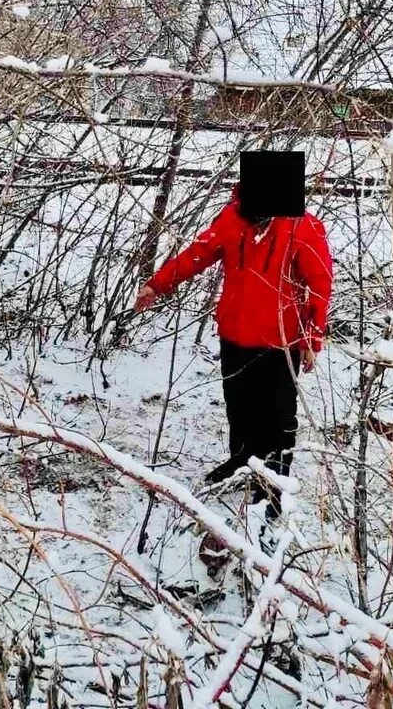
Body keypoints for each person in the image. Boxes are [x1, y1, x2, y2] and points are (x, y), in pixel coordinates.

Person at [134, 152, 332, 516]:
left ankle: (273, 487)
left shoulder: (304, 228)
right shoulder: (232, 218)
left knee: (277, 418)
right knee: (239, 408)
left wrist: (311, 340)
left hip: (280, 342)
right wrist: (157, 285)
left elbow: (320, 285)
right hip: (234, 334)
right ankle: (242, 462)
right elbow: (198, 254)